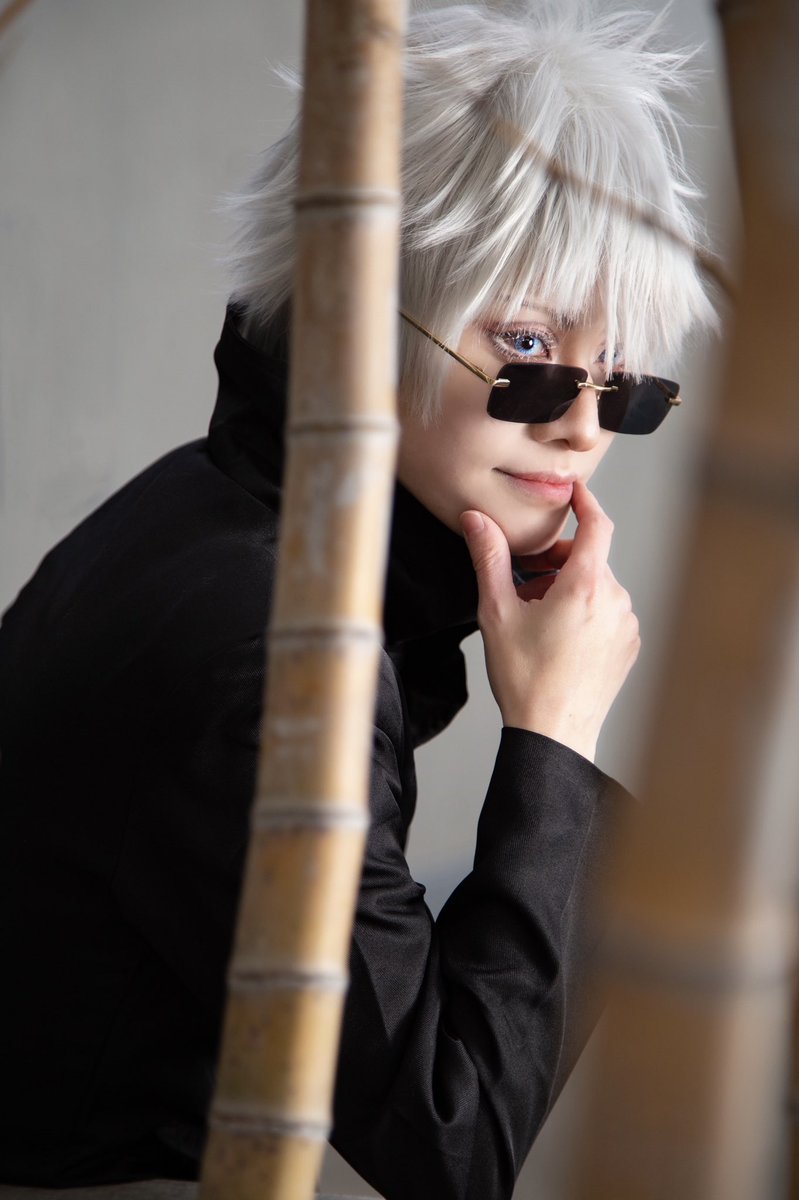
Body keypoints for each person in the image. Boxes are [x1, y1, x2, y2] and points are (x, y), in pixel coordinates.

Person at [0, 3, 715, 1197]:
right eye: (526, 348)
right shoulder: (269, 653)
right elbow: (455, 1143)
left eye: (621, 381)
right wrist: (556, 736)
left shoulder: (219, 508)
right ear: (363, 305)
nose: (582, 427)